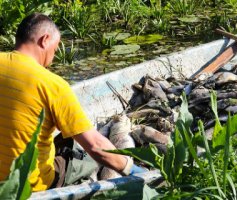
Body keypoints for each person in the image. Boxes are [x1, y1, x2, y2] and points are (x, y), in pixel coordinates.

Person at [0, 13, 145, 192]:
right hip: (30, 186)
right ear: (44, 40)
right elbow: (95, 146)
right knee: (87, 162)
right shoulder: (53, 85)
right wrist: (132, 169)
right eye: (55, 49)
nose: (52, 59)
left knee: (62, 139)